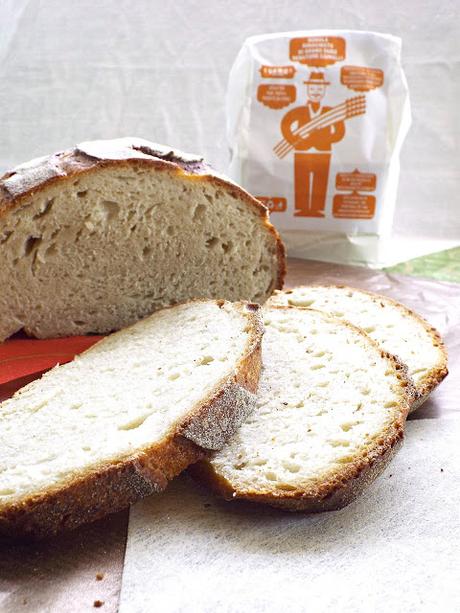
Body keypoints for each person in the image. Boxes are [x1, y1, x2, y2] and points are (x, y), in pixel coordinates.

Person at [280, 71, 345, 217]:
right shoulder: (299, 111)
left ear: (324, 91)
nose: (316, 92)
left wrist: (325, 139)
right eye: (313, 89)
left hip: (323, 152)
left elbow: (339, 131)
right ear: (308, 90)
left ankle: (317, 209)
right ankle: (302, 208)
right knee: (301, 180)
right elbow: (286, 123)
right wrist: (295, 140)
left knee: (320, 182)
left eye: (319, 89)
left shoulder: (330, 112)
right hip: (302, 151)